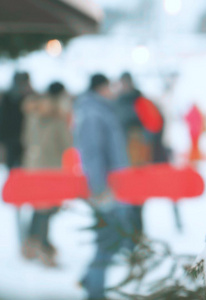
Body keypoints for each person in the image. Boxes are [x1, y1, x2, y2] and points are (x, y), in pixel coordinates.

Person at [74, 74, 141, 300]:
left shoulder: (102, 110)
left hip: (114, 187)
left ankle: (90, 279)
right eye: (108, 87)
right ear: (99, 89)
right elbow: (92, 153)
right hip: (105, 189)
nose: (113, 90)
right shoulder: (93, 113)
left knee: (114, 237)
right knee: (109, 239)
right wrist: (99, 187)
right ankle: (94, 291)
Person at [20, 82, 73, 267]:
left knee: (39, 208)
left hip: (33, 167)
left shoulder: (33, 112)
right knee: (47, 210)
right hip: (51, 169)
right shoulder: (58, 116)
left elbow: (25, 139)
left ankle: (31, 245)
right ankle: (44, 248)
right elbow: (67, 144)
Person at [0, 72, 33, 169]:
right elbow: (2, 118)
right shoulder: (8, 98)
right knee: (13, 166)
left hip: (25, 136)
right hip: (13, 137)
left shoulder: (29, 98)